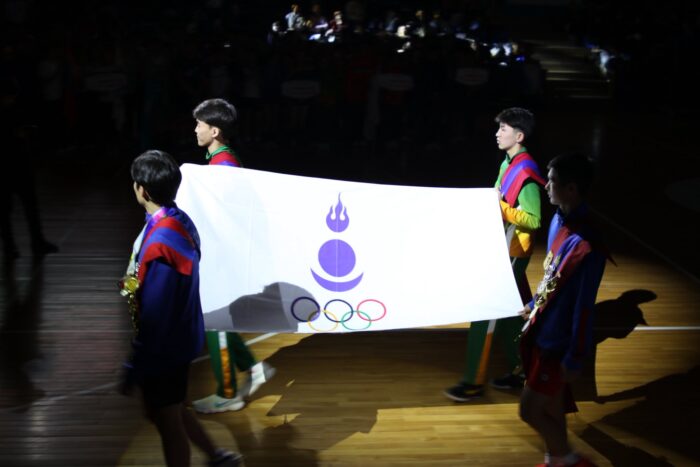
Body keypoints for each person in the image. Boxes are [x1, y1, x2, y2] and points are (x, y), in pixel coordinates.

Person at [120, 150, 241, 467]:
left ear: (142, 190)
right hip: (181, 337)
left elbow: (156, 314)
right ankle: (216, 456)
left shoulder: (161, 243)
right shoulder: (177, 220)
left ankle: (215, 457)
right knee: (171, 410)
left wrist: (136, 361)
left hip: (165, 348)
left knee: (168, 423)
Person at [445, 107, 544, 402]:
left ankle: (473, 382)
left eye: (503, 129)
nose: (497, 133)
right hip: (502, 245)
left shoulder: (526, 172)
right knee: (511, 312)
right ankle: (523, 369)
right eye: (498, 128)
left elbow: (534, 219)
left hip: (514, 251)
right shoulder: (507, 163)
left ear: (519, 136)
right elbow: (497, 195)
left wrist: (499, 208)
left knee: (485, 312)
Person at [518, 152, 607, 467]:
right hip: (544, 329)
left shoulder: (588, 245)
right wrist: (534, 304)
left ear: (571, 189)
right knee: (553, 407)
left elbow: (584, 306)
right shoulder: (559, 220)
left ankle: (569, 459)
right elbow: (551, 274)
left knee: (529, 410)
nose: (545, 186)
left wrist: (575, 356)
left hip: (557, 343)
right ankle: (556, 460)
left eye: (552, 181)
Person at [191, 98, 275, 414]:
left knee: (216, 323)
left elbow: (224, 217)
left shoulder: (223, 166)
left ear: (214, 131)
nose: (195, 129)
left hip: (223, 256)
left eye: (199, 124)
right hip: (223, 253)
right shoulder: (222, 160)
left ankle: (228, 393)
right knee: (217, 322)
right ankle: (253, 369)